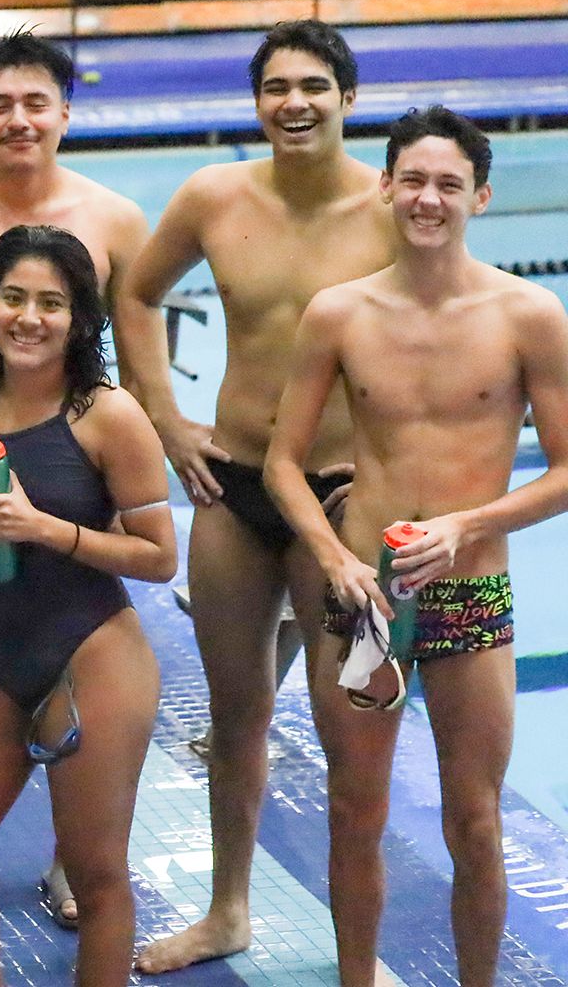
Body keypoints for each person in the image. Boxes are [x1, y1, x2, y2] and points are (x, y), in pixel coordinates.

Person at [114, 20, 398, 972]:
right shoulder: (213, 197)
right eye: (277, 87)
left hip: (346, 506)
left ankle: (354, 958)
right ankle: (226, 910)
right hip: (232, 487)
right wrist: (164, 417)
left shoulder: (394, 207)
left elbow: (446, 335)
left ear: (348, 99)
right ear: (257, 101)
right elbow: (138, 295)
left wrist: (401, 466)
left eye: (315, 85)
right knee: (236, 722)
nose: (295, 103)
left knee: (346, 728)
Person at [267, 106, 568, 987]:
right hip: (363, 597)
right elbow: (286, 465)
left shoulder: (528, 313)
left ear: (478, 197)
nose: (428, 200)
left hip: (471, 598)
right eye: (413, 181)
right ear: (385, 188)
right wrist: (334, 559)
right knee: (353, 809)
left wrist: (470, 524)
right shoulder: (339, 313)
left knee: (474, 821)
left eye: (448, 185)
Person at [0, 224, 175, 987]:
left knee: (94, 872)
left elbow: (159, 556)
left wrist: (43, 527)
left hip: (91, 650)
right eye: (13, 297)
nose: (29, 317)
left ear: (81, 318)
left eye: (51, 303)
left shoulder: (105, 413)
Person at [0, 30, 148, 294]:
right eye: (0, 106)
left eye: (35, 105)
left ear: (64, 116)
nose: (18, 122)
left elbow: (140, 332)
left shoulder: (117, 222)